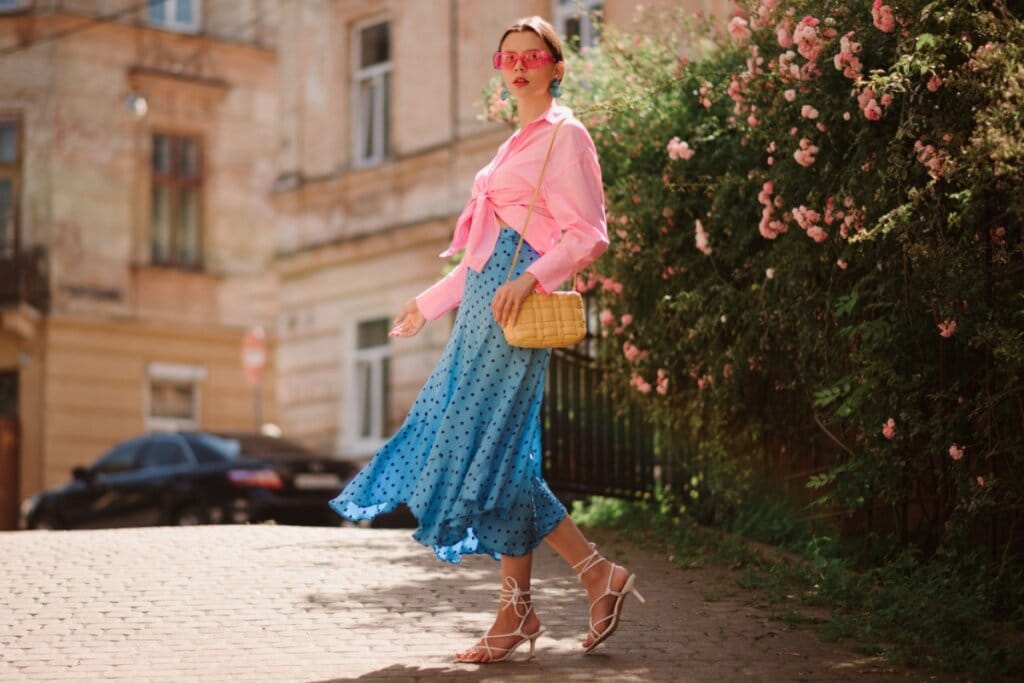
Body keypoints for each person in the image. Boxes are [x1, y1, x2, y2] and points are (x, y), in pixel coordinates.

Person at [329, 15, 645, 664]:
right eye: (509, 58)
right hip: (481, 312)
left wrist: (531, 279)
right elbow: (477, 258)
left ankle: (571, 584)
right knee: (504, 456)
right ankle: (543, 598)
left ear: (558, 66)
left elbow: (587, 235)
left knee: (483, 449)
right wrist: (428, 300)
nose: (521, 66)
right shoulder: (514, 144)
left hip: (513, 316)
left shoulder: (567, 136)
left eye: (534, 56)